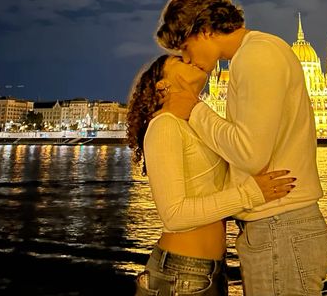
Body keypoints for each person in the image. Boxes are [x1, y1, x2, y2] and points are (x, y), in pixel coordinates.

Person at [156, 0, 327, 296]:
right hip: (278, 225)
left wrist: (195, 110)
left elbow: (250, 155)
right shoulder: (260, 52)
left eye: (185, 47)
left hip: (280, 225)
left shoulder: (256, 56)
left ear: (205, 31)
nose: (186, 58)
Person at [126, 53, 296, 296]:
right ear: (162, 85)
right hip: (179, 274)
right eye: (182, 62)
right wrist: (251, 194)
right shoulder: (164, 125)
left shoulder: (193, 124)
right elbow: (173, 215)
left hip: (209, 270)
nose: (193, 60)